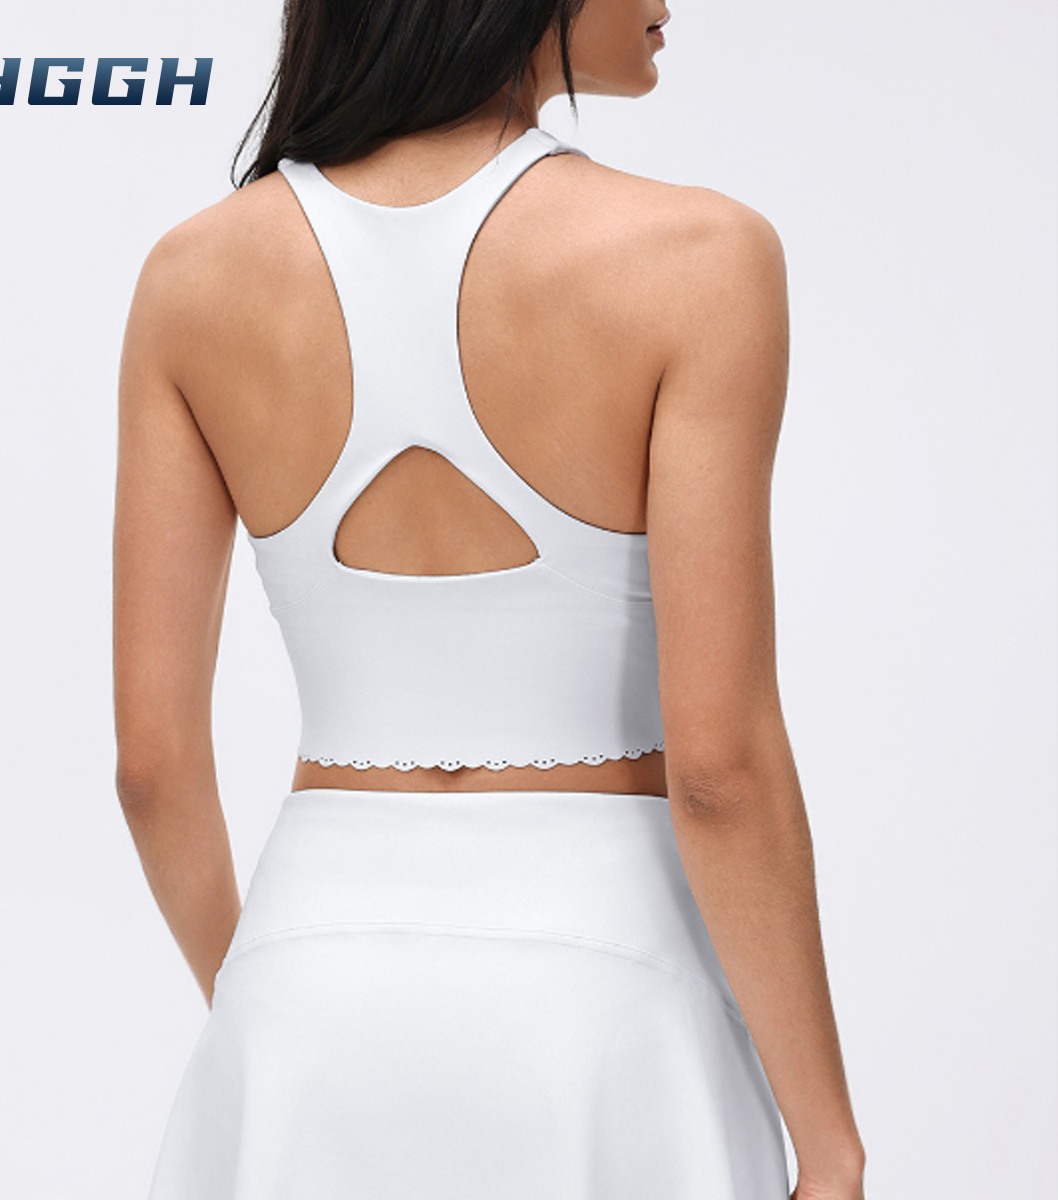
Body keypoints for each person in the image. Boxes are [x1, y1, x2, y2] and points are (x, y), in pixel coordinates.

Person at [112, 0, 866, 1196]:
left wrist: (263, 1001)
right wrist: (830, 1149)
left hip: (309, 986)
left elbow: (152, 769)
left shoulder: (192, 277)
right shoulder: (699, 257)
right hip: (610, 994)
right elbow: (721, 771)